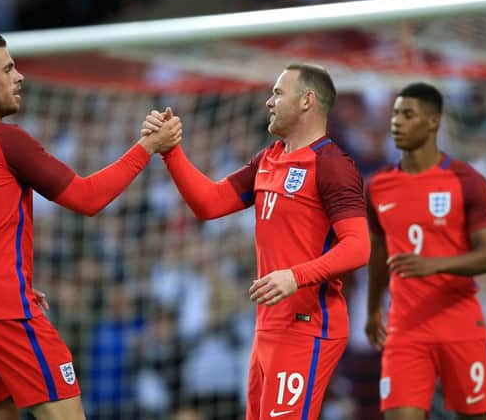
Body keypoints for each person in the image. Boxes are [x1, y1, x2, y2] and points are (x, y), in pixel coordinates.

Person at [0, 33, 182, 420]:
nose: (20, 76)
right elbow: (86, 198)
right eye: (8, 68)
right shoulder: (6, 140)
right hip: (3, 306)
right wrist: (147, 146)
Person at [142, 63, 370, 420]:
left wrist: (295, 276)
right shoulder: (269, 158)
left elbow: (358, 247)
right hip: (268, 325)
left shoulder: (332, 165)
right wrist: (171, 152)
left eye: (278, 93)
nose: (268, 102)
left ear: (307, 100)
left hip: (308, 325)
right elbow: (210, 203)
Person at [365, 83, 486, 420]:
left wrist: (434, 265)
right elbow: (379, 252)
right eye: (395, 114)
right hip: (405, 328)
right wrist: (372, 310)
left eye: (408, 114)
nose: (396, 122)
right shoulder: (378, 186)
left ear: (433, 122)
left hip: (460, 324)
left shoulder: (468, 181)